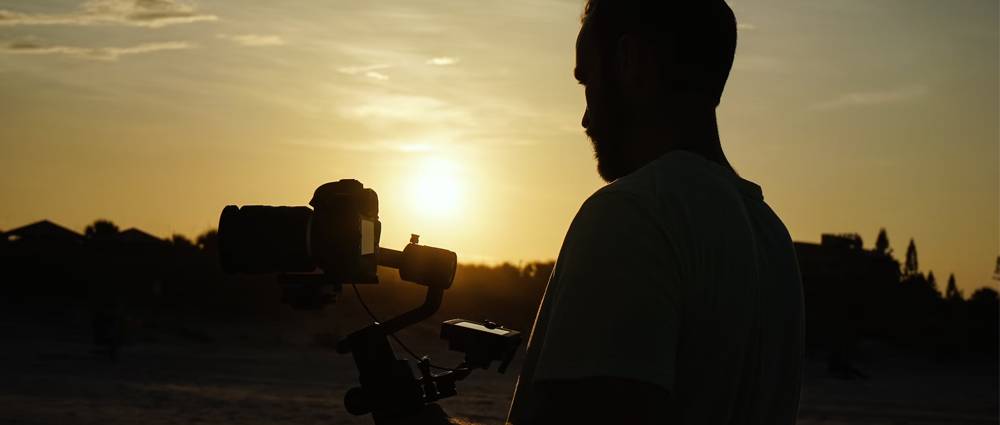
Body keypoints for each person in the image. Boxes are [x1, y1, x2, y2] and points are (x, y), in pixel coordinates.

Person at [395, 0, 804, 423]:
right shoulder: (772, 236)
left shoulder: (634, 213)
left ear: (629, 62)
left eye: (586, 80)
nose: (586, 117)